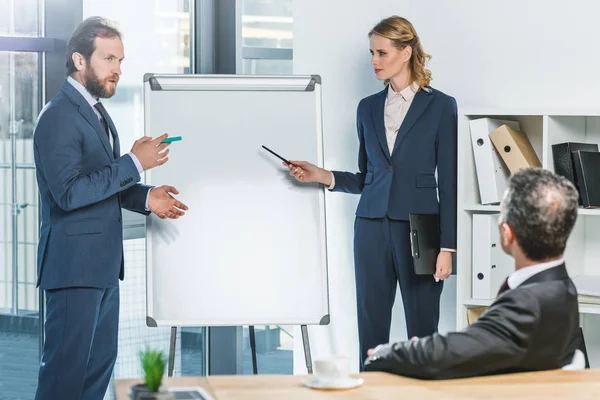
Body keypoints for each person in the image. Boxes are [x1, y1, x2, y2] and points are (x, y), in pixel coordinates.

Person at [286, 15, 457, 367]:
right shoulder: (366, 107)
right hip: (371, 226)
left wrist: (448, 246)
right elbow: (370, 177)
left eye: (381, 53)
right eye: (371, 53)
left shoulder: (441, 106)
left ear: (406, 52)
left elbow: (451, 181)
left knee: (423, 330)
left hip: (422, 229)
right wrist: (323, 175)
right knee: (371, 325)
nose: (373, 61)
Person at [33, 17, 188, 399]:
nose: (118, 69)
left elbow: (100, 184)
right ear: (79, 60)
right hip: (73, 268)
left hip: (101, 268)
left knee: (95, 375)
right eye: (108, 59)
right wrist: (134, 162)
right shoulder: (58, 116)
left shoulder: (97, 113)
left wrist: (146, 196)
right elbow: (69, 193)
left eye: (120, 60)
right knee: (64, 379)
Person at [364, 168, 582, 379]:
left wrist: (385, 354)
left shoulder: (528, 303)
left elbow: (451, 352)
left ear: (506, 234)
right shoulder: (564, 287)